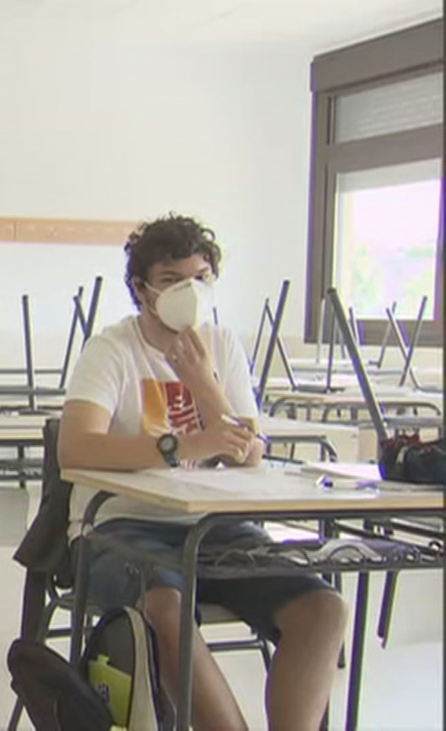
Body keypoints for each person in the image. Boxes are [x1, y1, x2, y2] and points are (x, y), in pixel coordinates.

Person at [58, 214, 347, 730]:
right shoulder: (113, 349)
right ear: (142, 290)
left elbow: (248, 452)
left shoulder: (222, 343)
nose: (188, 292)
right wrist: (180, 446)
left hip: (213, 527)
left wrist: (203, 381)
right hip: (121, 527)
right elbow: (75, 449)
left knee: (323, 609)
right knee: (167, 612)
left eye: (200, 278)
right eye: (172, 281)